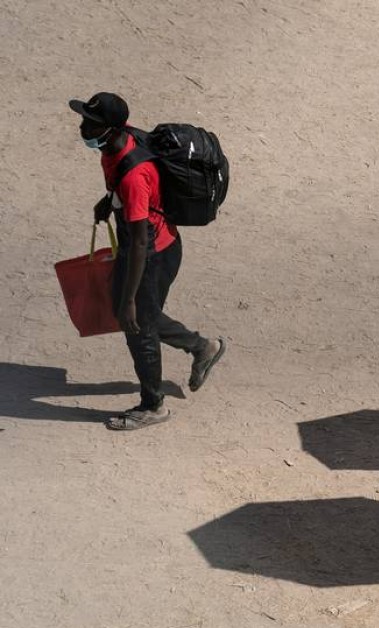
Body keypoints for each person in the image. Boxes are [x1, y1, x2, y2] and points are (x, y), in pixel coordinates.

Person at [71, 93, 226, 430]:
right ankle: (202, 347)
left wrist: (128, 300)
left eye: (91, 123)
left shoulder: (133, 176)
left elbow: (141, 240)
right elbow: (127, 192)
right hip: (146, 246)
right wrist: (108, 201)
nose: (83, 127)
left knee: (137, 324)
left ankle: (153, 406)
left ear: (112, 129)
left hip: (152, 253)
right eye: (84, 119)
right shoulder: (117, 145)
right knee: (141, 316)